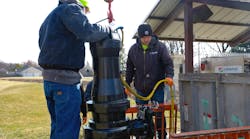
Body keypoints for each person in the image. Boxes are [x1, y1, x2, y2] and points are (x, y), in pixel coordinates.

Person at [38, 0, 112, 138]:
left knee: (58, 128)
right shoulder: (70, 9)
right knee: (67, 131)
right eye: (85, 12)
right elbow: (88, 31)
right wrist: (108, 28)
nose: (84, 15)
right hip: (65, 83)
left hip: (50, 82)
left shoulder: (49, 18)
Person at [125, 23, 174, 139]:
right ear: (139, 37)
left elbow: (168, 63)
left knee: (158, 113)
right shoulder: (133, 50)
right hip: (141, 89)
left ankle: (161, 134)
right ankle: (143, 135)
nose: (146, 39)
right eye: (143, 37)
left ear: (151, 35)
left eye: (148, 37)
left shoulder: (160, 47)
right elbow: (129, 69)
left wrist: (170, 76)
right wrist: (127, 86)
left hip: (157, 88)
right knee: (141, 114)